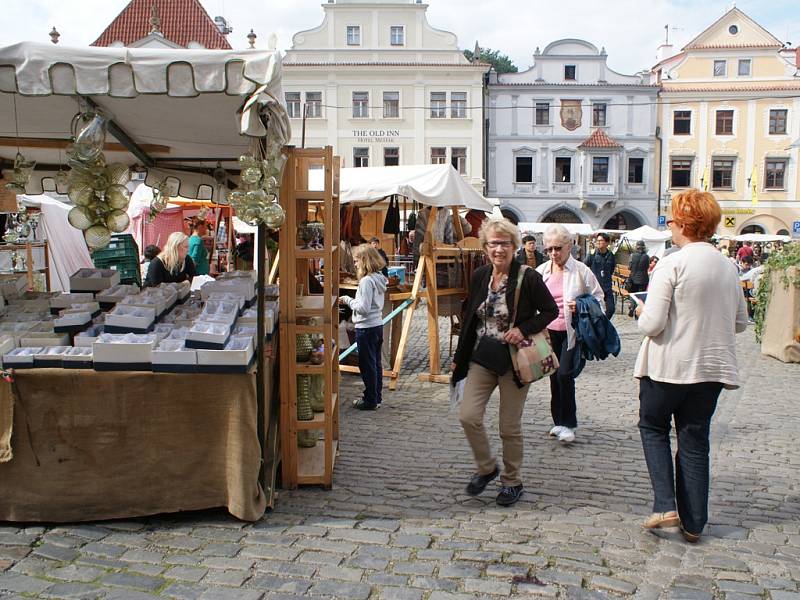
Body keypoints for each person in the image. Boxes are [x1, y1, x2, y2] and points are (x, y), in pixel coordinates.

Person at [635, 189, 748, 544]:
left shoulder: (673, 261)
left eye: (671, 219)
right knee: (695, 438)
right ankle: (695, 522)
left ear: (684, 223)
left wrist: (640, 311)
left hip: (669, 365)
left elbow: (651, 324)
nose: (669, 225)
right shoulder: (727, 266)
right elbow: (741, 322)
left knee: (653, 427)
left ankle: (665, 504)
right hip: (711, 369)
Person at [451, 218, 558, 506]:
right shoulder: (480, 275)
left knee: (509, 427)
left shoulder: (528, 277)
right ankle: (487, 467)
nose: (498, 249)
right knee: (468, 415)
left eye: (504, 243)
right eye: (493, 243)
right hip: (482, 357)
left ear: (514, 246)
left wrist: (522, 328)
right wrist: (458, 359)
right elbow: (470, 315)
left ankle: (512, 481)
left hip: (514, 362)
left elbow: (550, 311)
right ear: (485, 247)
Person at [537, 224, 604, 444]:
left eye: (558, 248)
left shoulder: (582, 271)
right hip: (548, 333)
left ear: (569, 246)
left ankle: (568, 423)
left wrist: (582, 305)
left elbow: (600, 301)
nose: (554, 253)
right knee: (554, 377)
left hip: (572, 331)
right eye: (549, 249)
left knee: (565, 374)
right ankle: (558, 421)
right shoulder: (542, 271)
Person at [338, 245, 388, 411]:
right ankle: (376, 397)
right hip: (376, 325)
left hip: (366, 327)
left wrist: (347, 300)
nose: (355, 264)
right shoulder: (378, 277)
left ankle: (370, 400)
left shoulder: (367, 281)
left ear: (364, 260)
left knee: (367, 365)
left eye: (356, 261)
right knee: (375, 364)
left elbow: (363, 307)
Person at [585, 232, 616, 319]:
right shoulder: (592, 254)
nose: (598, 242)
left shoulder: (611, 255)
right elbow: (585, 266)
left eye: (601, 240)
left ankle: (604, 323)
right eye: (597, 240)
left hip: (607, 287)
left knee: (611, 309)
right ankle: (600, 328)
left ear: (606, 243)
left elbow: (612, 269)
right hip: (595, 288)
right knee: (595, 311)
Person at [627, 241, 650, 317]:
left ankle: (631, 308)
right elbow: (647, 267)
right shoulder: (647, 256)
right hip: (643, 279)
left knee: (633, 294)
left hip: (633, 278)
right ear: (643, 247)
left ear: (636, 247)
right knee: (640, 296)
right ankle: (638, 312)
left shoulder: (632, 255)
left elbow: (629, 267)